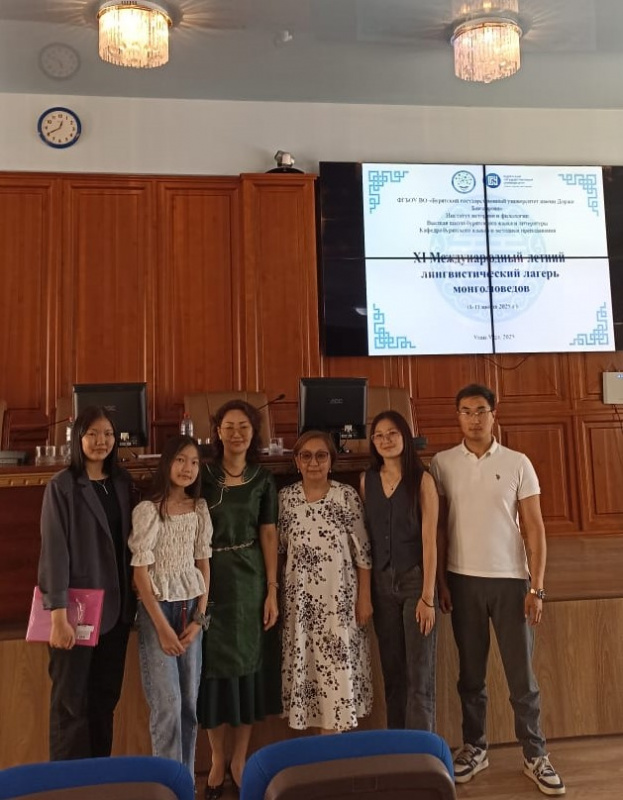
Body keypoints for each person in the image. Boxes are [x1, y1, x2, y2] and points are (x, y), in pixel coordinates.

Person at [429, 384, 565, 797]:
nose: (474, 419)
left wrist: (537, 588)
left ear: (494, 414)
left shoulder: (518, 462)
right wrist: (441, 582)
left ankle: (535, 755)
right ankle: (475, 747)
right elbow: (438, 527)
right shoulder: (442, 463)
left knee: (521, 678)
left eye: (480, 411)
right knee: (471, 676)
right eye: (465, 411)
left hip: (511, 583)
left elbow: (535, 528)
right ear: (457, 416)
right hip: (462, 581)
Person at [38, 405, 137, 760]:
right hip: (75, 614)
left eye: (108, 434)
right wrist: (58, 615)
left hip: (117, 613)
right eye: (92, 434)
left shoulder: (123, 484)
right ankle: (67, 784)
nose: (101, 441)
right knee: (71, 706)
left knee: (104, 702)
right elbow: (54, 552)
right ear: (78, 439)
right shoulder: (63, 486)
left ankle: (98, 778)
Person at [197, 400, 281, 798]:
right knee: (212, 669)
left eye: (243, 426)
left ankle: (240, 760)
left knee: (249, 667)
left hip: (250, 581)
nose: (236, 433)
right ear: (217, 431)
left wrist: (272, 589)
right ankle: (217, 758)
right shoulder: (201, 474)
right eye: (228, 426)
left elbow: (268, 533)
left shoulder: (263, 479)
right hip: (207, 579)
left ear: (254, 432)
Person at [278, 430, 373, 733]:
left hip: (339, 604)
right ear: (296, 461)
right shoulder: (286, 499)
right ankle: (320, 749)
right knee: (308, 671)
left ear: (331, 461)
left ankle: (333, 749)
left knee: (337, 674)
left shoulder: (345, 496)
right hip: (301, 605)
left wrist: (365, 598)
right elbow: (279, 550)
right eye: (306, 456)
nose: (313, 462)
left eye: (321, 455)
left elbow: (363, 553)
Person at [129, 435, 212, 778]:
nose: (187, 468)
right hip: (158, 611)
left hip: (191, 608)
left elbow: (204, 565)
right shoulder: (149, 511)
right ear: (167, 463)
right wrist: (162, 629)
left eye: (194, 462)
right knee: (168, 706)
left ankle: (185, 782)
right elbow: (140, 575)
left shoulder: (199, 509)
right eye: (180, 460)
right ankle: (166, 785)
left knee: (189, 705)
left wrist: (199, 619)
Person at [359, 409, 439, 732]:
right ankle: (398, 745)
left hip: (415, 582)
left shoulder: (423, 480)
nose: (386, 440)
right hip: (381, 585)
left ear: (405, 436)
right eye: (379, 435)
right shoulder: (366, 481)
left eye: (392, 433)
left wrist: (428, 597)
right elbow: (366, 536)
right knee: (393, 673)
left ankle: (421, 749)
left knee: (419, 674)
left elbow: (430, 541)